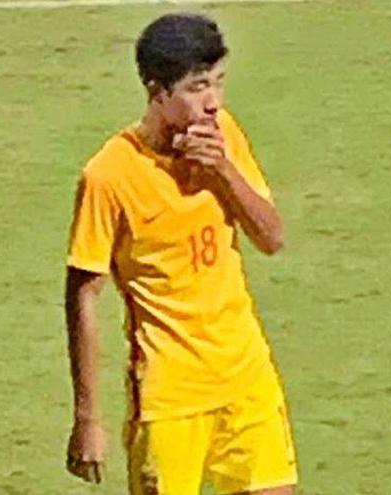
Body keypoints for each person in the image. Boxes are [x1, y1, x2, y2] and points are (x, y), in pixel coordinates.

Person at [63, 13, 297, 495]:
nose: (213, 103)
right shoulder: (109, 175)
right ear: (157, 92)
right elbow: (83, 297)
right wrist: (88, 418)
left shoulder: (223, 137)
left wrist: (224, 172)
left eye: (218, 83)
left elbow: (272, 239)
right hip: (169, 398)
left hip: (246, 377)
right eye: (197, 87)